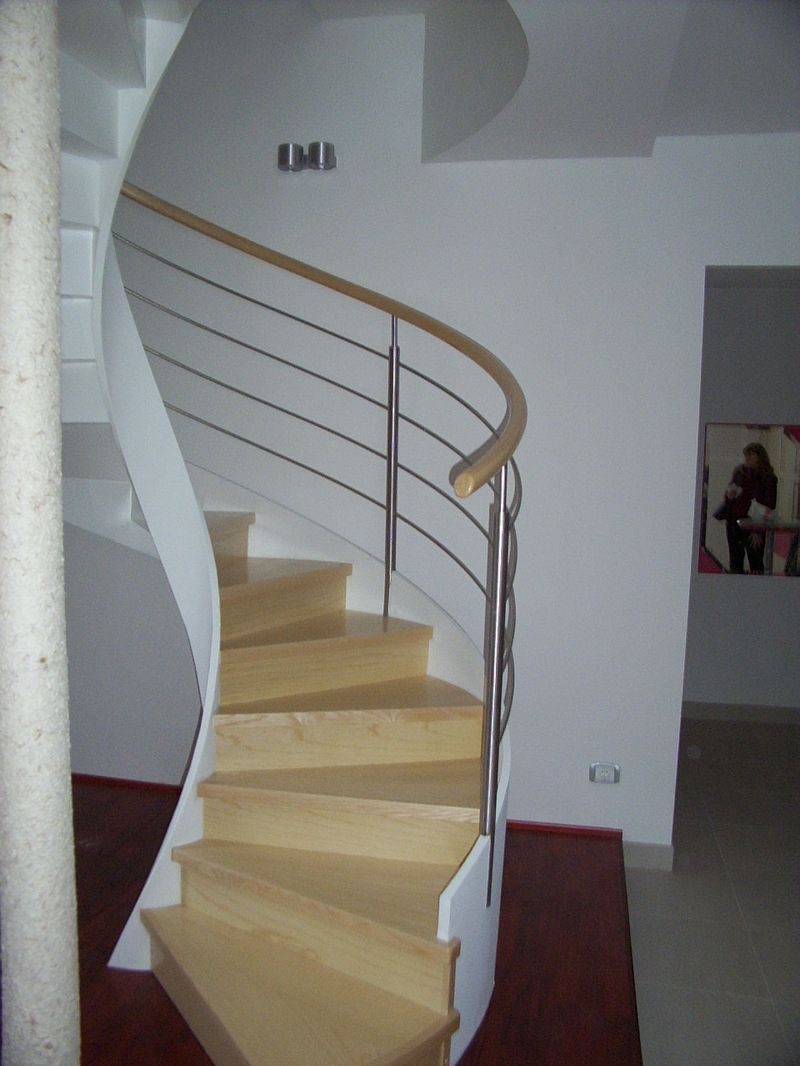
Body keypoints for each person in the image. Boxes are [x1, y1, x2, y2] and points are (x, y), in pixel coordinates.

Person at [721, 442, 777, 573]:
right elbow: (730, 498)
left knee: (756, 562)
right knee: (735, 562)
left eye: (751, 455)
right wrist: (729, 496)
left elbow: (768, 505)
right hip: (735, 523)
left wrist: (757, 530)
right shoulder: (740, 473)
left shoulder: (768, 478)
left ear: (759, 457)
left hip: (754, 524)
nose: (747, 458)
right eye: (746, 455)